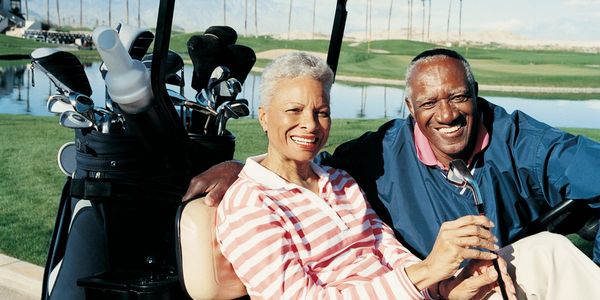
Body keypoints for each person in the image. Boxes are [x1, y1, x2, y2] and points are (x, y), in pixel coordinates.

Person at [185, 49, 600, 298]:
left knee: (548, 249)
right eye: (293, 111)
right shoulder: (250, 203)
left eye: (322, 111)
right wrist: (425, 273)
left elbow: (391, 255)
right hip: (412, 287)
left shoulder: (342, 182)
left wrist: (447, 289)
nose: (310, 124)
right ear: (262, 118)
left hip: (426, 292)